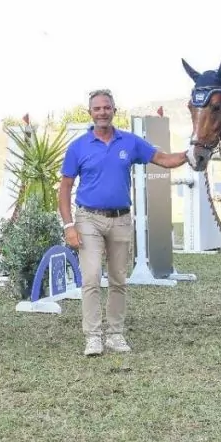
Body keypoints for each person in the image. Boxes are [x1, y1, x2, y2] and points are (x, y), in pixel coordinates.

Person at [58, 89, 188, 357]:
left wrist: (192, 152)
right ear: (90, 113)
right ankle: (93, 336)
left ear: (114, 110)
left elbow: (164, 160)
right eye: (97, 109)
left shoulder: (130, 142)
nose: (102, 112)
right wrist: (68, 226)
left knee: (118, 279)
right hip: (88, 219)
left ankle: (115, 335)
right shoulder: (78, 147)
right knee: (92, 277)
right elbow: (65, 188)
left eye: (107, 107)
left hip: (120, 219)